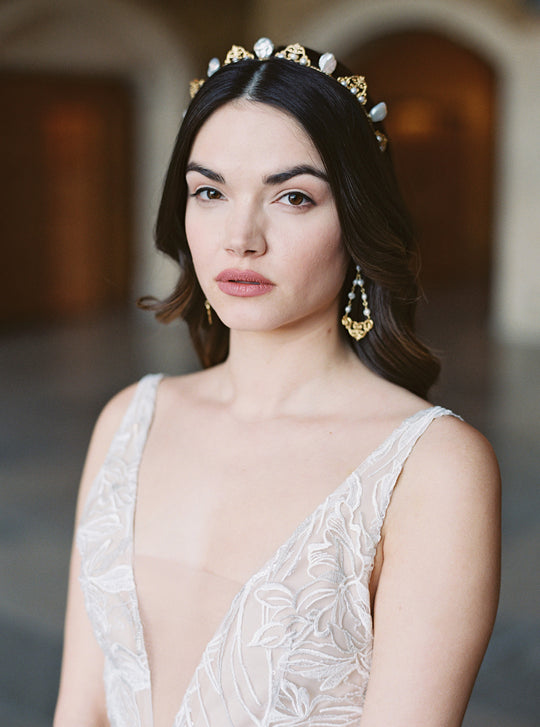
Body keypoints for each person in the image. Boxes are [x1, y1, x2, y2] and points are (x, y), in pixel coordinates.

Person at [54, 39, 501, 727]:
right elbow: (80, 707)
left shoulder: (433, 467)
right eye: (210, 191)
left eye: (293, 196)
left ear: (356, 219)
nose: (241, 236)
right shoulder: (128, 418)